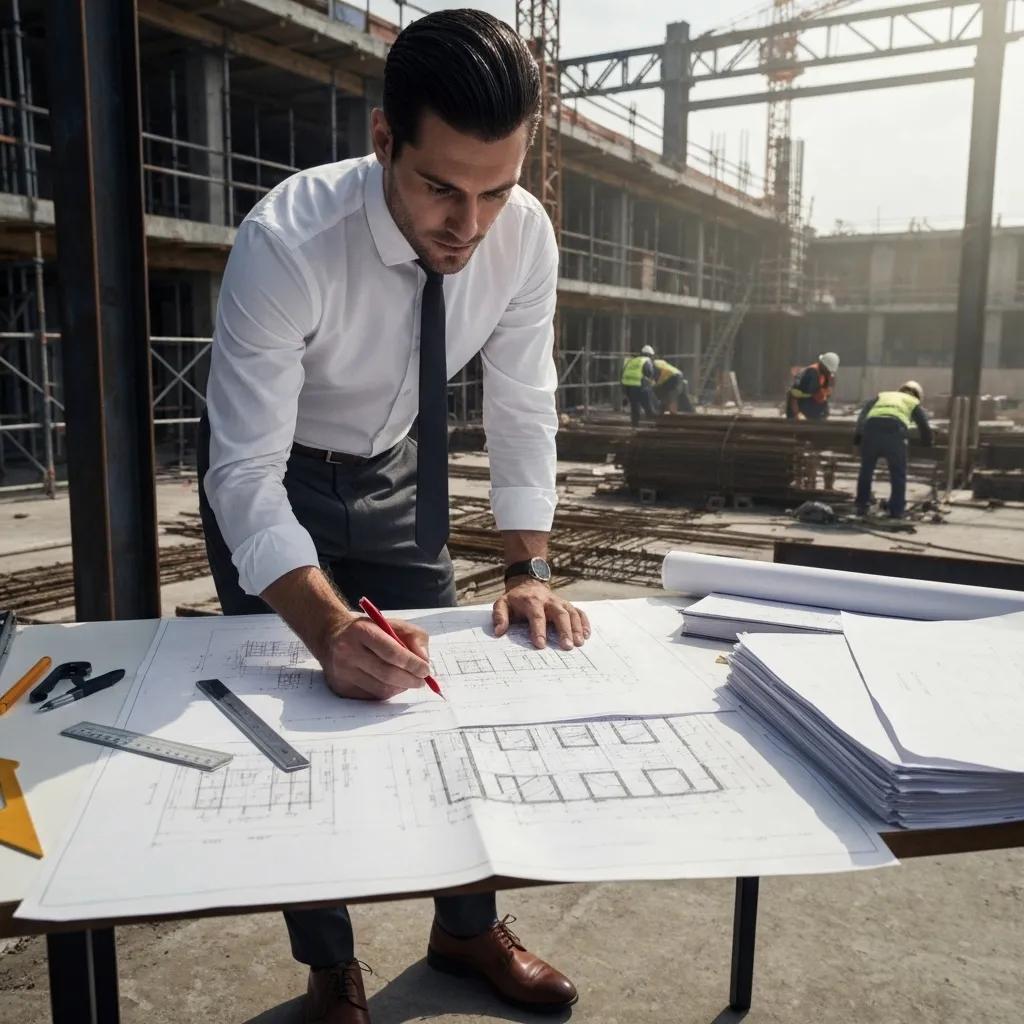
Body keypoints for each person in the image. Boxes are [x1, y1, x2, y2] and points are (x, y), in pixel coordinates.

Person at [198, 11, 586, 1022]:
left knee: (437, 697)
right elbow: (240, 475)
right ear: (383, 142)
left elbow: (520, 402)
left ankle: (465, 929)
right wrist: (326, 628)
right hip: (278, 474)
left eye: (495, 190)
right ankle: (329, 965)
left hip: (394, 471)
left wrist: (526, 565)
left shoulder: (523, 236)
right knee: (300, 724)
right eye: (439, 188)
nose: (469, 223)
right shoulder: (289, 240)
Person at [854, 380, 933, 519]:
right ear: (917, 396)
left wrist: (858, 435)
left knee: (866, 469)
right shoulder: (913, 401)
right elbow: (923, 424)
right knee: (897, 473)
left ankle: (861, 505)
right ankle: (896, 511)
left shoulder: (883, 396)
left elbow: (863, 414)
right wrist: (927, 442)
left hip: (871, 428)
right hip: (893, 432)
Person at [786, 351, 840, 420]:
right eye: (828, 370)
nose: (829, 373)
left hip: (810, 402)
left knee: (822, 413)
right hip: (799, 403)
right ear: (823, 365)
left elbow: (823, 395)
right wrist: (796, 415)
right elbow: (794, 396)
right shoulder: (811, 374)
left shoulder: (825, 374)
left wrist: (829, 387)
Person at [621, 343, 657, 426]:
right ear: (649, 355)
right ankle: (652, 424)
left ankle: (635, 425)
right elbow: (649, 373)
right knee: (647, 405)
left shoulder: (632, 360)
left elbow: (623, 372)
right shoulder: (646, 361)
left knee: (635, 407)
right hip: (639, 386)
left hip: (628, 386)